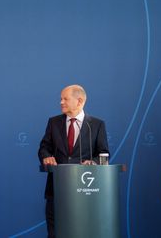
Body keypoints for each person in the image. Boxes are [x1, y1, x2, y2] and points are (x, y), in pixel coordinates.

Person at [38, 84, 109, 238]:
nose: (61, 102)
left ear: (79, 101)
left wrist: (93, 163)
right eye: (60, 99)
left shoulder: (96, 125)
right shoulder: (54, 122)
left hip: (86, 193)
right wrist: (46, 157)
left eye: (65, 99)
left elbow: (103, 153)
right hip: (56, 191)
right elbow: (44, 148)